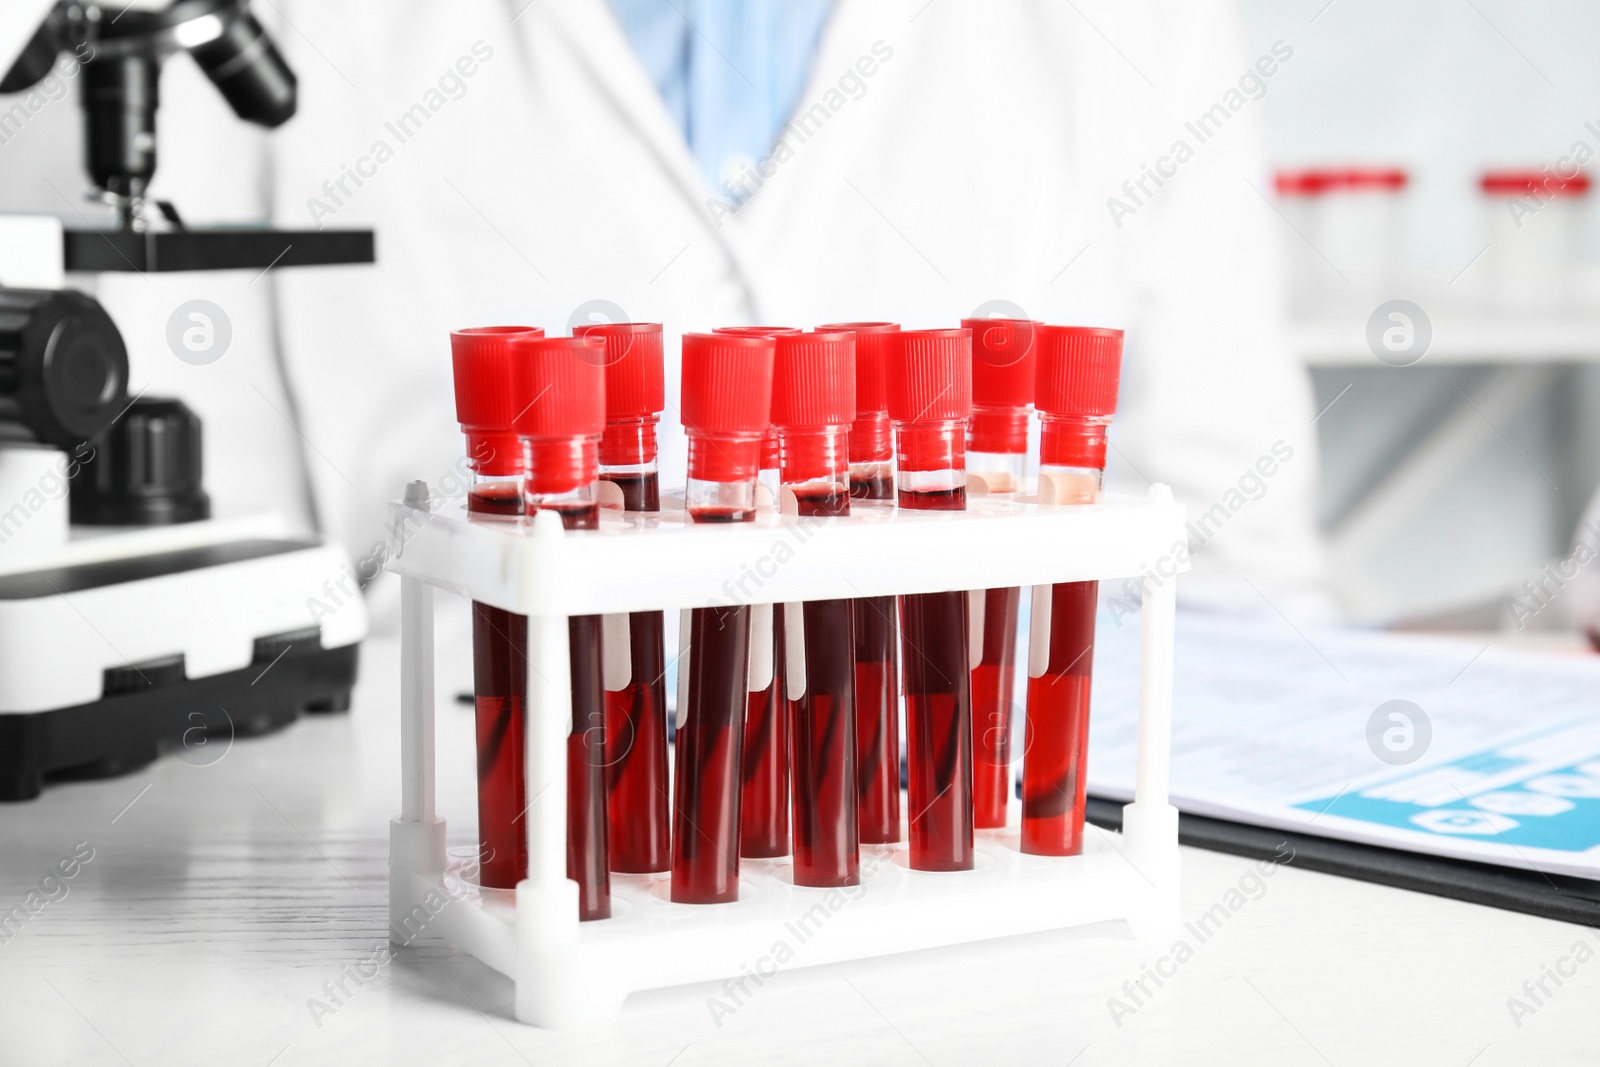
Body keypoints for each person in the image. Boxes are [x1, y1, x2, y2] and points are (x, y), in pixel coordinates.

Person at [0, 0, 1329, 618]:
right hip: (451, 853)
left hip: (982, 847)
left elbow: (1239, 579)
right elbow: (195, 588)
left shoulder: (1135, 30)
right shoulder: (263, 29)